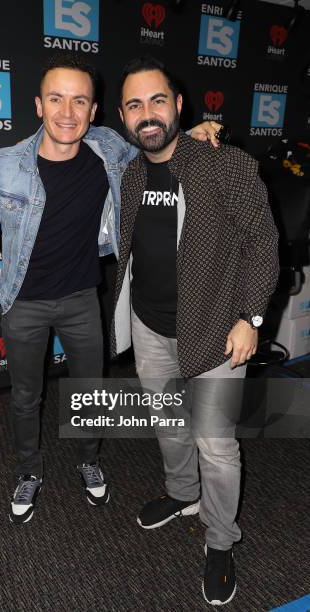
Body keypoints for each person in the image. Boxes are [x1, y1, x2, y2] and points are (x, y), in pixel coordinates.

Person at [0, 54, 221, 526]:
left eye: (79, 100)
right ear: (38, 106)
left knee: (91, 393)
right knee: (25, 396)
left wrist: (196, 133)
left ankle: (87, 459)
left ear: (95, 110)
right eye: (56, 99)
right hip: (22, 302)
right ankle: (28, 470)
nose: (67, 112)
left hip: (83, 297)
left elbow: (159, 143)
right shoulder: (5, 166)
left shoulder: (108, 150)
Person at [111, 56, 279, 606]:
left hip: (215, 332)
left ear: (179, 105)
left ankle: (221, 539)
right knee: (167, 424)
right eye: (135, 105)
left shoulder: (225, 165)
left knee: (217, 447)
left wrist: (251, 317)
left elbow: (262, 246)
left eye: (158, 101)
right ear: (123, 116)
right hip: (151, 326)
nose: (148, 114)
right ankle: (182, 495)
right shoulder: (130, 170)